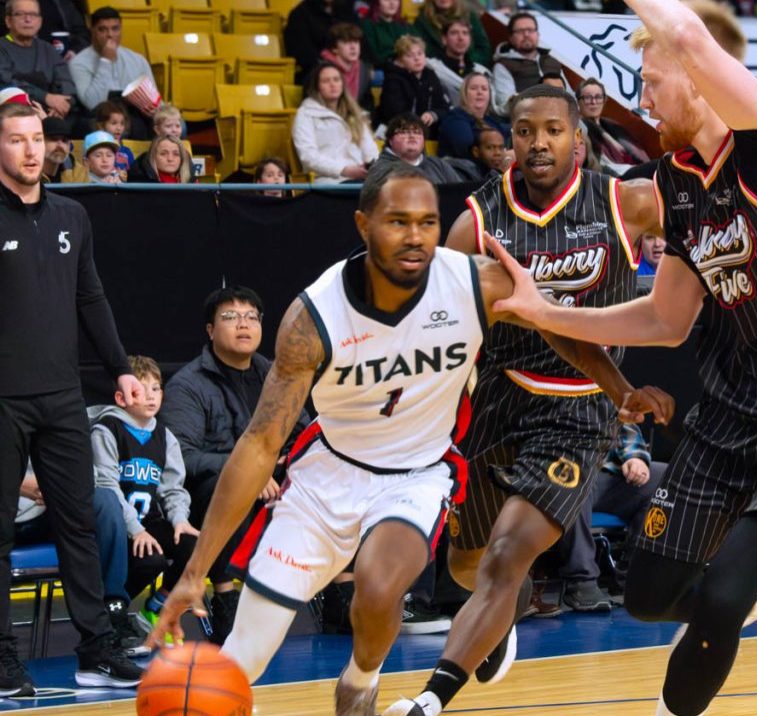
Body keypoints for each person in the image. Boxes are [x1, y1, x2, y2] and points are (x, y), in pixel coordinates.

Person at [475, 2, 757, 714]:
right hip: (740, 407)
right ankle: (732, 599)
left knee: (721, 598)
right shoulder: (675, 182)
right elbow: (666, 319)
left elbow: (685, 33)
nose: (640, 96)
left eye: (651, 79)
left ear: (702, 77)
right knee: (647, 596)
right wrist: (540, 309)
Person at [146, 165, 672, 715]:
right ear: (363, 225)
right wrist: (192, 575)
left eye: (427, 221)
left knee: (378, 585)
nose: (416, 235)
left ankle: (360, 680)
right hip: (329, 474)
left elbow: (558, 326)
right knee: (240, 662)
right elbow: (258, 443)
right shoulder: (315, 315)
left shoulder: (477, 281)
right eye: (398, 221)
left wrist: (619, 390)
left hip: (418, 475)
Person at [382, 83, 670, 716]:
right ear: (508, 139)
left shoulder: (626, 203)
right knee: (468, 565)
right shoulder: (476, 222)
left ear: (578, 139)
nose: (537, 143)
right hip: (497, 396)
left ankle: (431, 701)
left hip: (583, 405)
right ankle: (498, 617)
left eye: (552, 130)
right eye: (523, 131)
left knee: (510, 554)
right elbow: (428, 318)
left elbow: (712, 224)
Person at [0, 101, 145, 695]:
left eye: (37, 139)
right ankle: (4, 657)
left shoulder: (72, 215)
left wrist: (120, 370)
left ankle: (95, 646)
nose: (32, 151)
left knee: (79, 521)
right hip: (3, 398)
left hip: (62, 395)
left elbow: (91, 299)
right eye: (16, 141)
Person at [161, 286, 310, 645]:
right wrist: (247, 471)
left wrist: (290, 463)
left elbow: (306, 433)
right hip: (210, 493)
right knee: (226, 487)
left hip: (275, 481)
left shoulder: (277, 375)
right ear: (210, 330)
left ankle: (343, 592)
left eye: (251, 317)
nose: (243, 324)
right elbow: (180, 457)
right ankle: (226, 596)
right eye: (230, 317)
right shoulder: (188, 385)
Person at [89, 355, 199, 650]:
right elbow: (107, 486)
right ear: (121, 396)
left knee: (194, 545)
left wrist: (179, 519)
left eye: (156, 388)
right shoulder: (106, 429)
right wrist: (134, 529)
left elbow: (173, 489)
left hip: (148, 522)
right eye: (141, 389)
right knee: (152, 558)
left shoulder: (165, 437)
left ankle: (158, 606)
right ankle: (110, 615)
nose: (151, 396)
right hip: (116, 527)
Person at [558, 423, 664, 608]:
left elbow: (624, 424)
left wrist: (635, 457)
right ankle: (581, 582)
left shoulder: (603, 394)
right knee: (575, 476)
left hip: (605, 473)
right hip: (563, 471)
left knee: (663, 478)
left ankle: (632, 580)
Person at [68, 6, 156, 136]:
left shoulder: (137, 60)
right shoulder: (78, 63)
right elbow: (93, 103)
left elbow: (155, 100)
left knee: (176, 125)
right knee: (117, 126)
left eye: (115, 29)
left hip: (135, 116)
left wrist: (159, 112)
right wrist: (105, 61)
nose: (110, 35)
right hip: (101, 119)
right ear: (92, 31)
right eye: (102, 29)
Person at [292, 61, 378, 184]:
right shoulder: (306, 113)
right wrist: (344, 170)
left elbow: (370, 151)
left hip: (361, 178)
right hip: (328, 179)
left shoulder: (355, 113)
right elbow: (308, 156)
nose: (332, 84)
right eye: (326, 81)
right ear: (317, 87)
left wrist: (372, 168)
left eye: (336, 80)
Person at [0, 0, 77, 119]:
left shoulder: (48, 49)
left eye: (33, 15)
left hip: (51, 115)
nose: (28, 19)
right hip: (11, 114)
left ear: (40, 21)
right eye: (20, 14)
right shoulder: (2, 47)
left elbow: (66, 83)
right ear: (8, 20)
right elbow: (7, 84)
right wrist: (47, 97)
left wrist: (62, 104)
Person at [377, 34, 451, 138]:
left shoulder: (431, 75)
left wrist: (433, 115)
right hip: (401, 131)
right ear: (400, 60)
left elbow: (443, 107)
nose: (417, 58)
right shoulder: (393, 80)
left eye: (420, 53)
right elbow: (393, 113)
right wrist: (417, 121)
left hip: (427, 131)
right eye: (409, 55)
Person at [366, 113, 474, 184]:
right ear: (390, 140)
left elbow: (460, 192)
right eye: (404, 132)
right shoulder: (380, 169)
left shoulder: (438, 164)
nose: (412, 136)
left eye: (417, 133)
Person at [492, 13, 565, 115]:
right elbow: (506, 104)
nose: (526, 34)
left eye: (530, 30)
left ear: (537, 34)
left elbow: (570, 95)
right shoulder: (503, 65)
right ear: (511, 37)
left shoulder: (551, 61)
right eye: (520, 31)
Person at [576, 77, 649, 171]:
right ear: (578, 101)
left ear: (604, 100)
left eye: (598, 97)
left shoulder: (614, 126)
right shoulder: (580, 129)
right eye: (587, 98)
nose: (593, 102)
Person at [436, 71, 509, 160]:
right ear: (465, 94)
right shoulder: (455, 118)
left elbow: (509, 130)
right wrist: (505, 156)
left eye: (484, 89)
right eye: (474, 88)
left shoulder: (490, 121)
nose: (479, 92)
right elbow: (466, 147)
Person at [284, 0, 357, 84]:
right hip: (317, 74)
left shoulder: (348, 12)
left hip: (352, 70)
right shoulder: (300, 14)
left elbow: (361, 46)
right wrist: (333, 66)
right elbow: (303, 55)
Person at [427, 19, 494, 110]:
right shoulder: (431, 67)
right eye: (454, 33)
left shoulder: (482, 71)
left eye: (465, 33)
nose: (461, 38)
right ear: (444, 39)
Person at [413, 0, 491, 68]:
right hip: (439, 70)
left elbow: (484, 49)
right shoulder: (422, 19)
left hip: (471, 67)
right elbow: (423, 51)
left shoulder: (468, 14)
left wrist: (467, 62)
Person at [319, 22, 373, 111]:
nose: (353, 47)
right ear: (334, 48)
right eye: (346, 42)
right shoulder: (321, 71)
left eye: (356, 42)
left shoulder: (363, 70)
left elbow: (368, 104)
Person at [359, 0, 410, 67]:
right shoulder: (367, 25)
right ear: (376, 2)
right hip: (382, 70)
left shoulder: (403, 24)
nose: (392, 3)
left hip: (408, 67)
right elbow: (374, 56)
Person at [126, 134, 194, 183]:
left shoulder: (191, 183)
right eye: (163, 154)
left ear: (182, 159)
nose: (170, 159)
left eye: (176, 154)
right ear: (153, 157)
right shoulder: (139, 181)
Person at [40, 114, 86, 182]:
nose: (60, 145)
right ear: (39, 141)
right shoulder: (26, 171)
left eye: (65, 141)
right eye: (53, 139)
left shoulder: (76, 171)